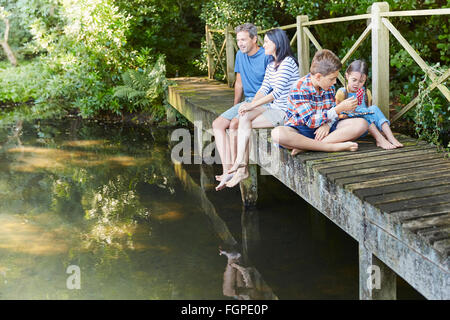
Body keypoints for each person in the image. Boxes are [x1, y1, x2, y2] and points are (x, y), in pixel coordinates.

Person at [224, 28, 300, 188]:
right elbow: (264, 88)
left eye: (266, 42)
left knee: (245, 120)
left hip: (286, 112)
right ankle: (241, 166)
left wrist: (252, 105)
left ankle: (240, 164)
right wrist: (248, 105)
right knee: (243, 117)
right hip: (273, 108)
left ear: (277, 44)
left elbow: (276, 93)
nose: (263, 45)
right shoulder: (272, 64)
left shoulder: (287, 62)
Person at [271, 49, 368, 154]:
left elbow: (332, 115)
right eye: (332, 79)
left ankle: (307, 146)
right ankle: (331, 147)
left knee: (362, 124)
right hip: (301, 131)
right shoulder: (299, 88)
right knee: (278, 134)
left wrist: (327, 125)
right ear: (318, 76)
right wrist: (339, 109)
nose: (335, 82)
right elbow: (311, 121)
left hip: (324, 131)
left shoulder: (329, 87)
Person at [212, 23, 270, 191]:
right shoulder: (239, 55)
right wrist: (235, 107)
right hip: (246, 101)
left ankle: (239, 169)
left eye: (244, 39)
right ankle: (227, 170)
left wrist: (244, 110)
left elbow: (271, 88)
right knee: (218, 124)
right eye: (238, 40)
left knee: (234, 124)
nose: (240, 43)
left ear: (254, 38)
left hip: (262, 101)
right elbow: (239, 83)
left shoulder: (266, 56)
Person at [336, 59, 403, 149]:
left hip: (366, 128)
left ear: (365, 80)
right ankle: (380, 139)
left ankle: (391, 138)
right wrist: (348, 112)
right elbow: (336, 116)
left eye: (361, 81)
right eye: (354, 80)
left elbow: (371, 113)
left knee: (373, 108)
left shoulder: (366, 93)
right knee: (363, 112)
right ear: (347, 76)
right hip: (351, 128)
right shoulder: (342, 93)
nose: (357, 84)